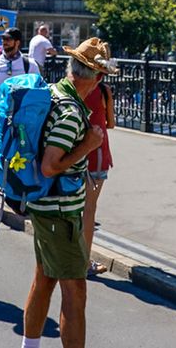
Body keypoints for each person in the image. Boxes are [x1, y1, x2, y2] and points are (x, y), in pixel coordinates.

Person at [22, 37, 115, 348]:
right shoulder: (71, 113)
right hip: (59, 214)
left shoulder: (53, 93)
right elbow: (50, 165)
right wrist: (88, 145)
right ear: (97, 77)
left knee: (44, 279)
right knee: (76, 292)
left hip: (44, 205)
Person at [0, 27, 38, 218]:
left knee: (22, 156)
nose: (4, 42)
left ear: (17, 42)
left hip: (21, 118)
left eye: (8, 39)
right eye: (3, 39)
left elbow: (37, 89)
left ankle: (18, 196)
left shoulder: (29, 64)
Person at [82, 74, 116, 276]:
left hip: (69, 152)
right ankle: (84, 262)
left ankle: (67, 256)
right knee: (88, 209)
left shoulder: (69, 87)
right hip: (96, 153)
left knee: (70, 208)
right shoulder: (103, 90)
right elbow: (110, 123)